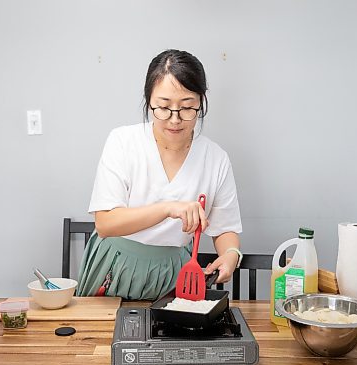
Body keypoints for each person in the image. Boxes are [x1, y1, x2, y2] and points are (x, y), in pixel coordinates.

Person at [77, 49, 243, 300]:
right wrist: (168, 208)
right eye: (163, 107)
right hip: (113, 265)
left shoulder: (215, 158)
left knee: (168, 335)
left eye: (187, 108)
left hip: (172, 274)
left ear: (201, 103)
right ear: (149, 101)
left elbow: (225, 229)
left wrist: (231, 254)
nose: (175, 120)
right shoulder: (123, 141)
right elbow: (105, 223)